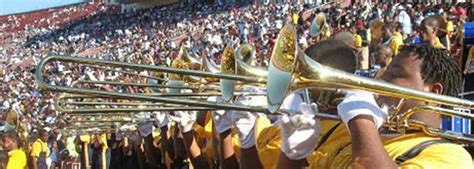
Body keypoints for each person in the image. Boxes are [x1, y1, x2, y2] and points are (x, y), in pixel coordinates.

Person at [276, 44, 472, 168]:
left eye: (394, 75)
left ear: (433, 91)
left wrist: (362, 119)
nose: (380, 80)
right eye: (384, 73)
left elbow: (364, 163)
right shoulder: (350, 142)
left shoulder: (452, 156)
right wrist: (293, 155)